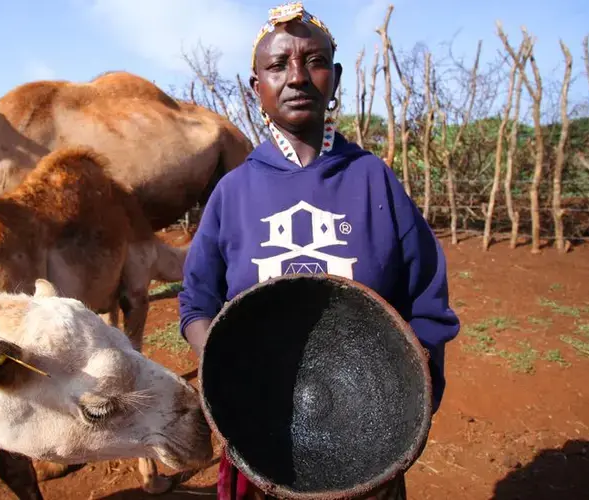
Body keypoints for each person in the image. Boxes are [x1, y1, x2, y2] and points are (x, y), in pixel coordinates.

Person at [177, 2, 461, 500]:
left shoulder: (373, 179)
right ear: (255, 86)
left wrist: (407, 406)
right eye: (277, 65)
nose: (297, 77)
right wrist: (227, 372)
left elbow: (427, 303)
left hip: (366, 433)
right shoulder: (234, 193)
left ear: (336, 77)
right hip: (257, 434)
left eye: (314, 61)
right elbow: (197, 304)